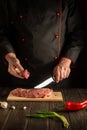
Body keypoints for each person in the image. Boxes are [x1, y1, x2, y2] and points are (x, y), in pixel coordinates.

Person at [0, 0, 85, 87]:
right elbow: (1, 32)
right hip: (21, 72)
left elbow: (78, 34)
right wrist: (10, 58)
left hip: (57, 74)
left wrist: (66, 61)